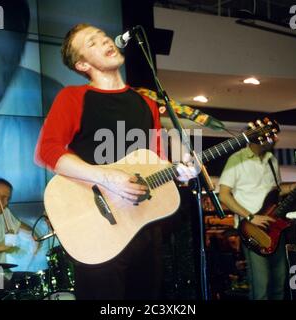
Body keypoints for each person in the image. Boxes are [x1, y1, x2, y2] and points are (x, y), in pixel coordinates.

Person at [35, 23, 196, 299]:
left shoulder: (145, 102)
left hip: (144, 225)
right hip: (97, 229)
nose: (105, 41)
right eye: (92, 42)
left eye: (103, 36)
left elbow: (156, 162)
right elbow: (47, 151)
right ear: (82, 64)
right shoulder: (73, 97)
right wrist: (107, 177)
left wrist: (179, 173)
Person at [218, 141, 296, 300]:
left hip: (274, 226)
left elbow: (275, 190)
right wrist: (250, 216)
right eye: (270, 136)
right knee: (261, 285)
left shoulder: (272, 160)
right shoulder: (237, 159)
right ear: (258, 136)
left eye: (275, 136)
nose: (274, 139)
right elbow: (224, 195)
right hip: (252, 229)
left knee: (279, 282)